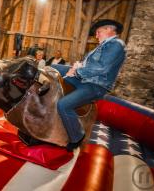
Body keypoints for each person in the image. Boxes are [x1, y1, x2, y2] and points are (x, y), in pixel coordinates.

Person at [51, 19, 126, 151]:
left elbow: (102, 68)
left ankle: (77, 137)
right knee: (53, 67)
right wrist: (76, 67)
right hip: (84, 78)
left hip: (96, 85)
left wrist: (77, 71)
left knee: (63, 105)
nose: (96, 35)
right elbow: (88, 64)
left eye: (98, 32)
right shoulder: (103, 45)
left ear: (109, 29)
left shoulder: (116, 44)